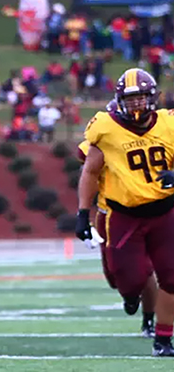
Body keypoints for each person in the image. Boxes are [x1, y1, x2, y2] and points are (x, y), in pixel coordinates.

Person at [76, 68, 174, 356]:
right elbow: (90, 170)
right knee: (129, 280)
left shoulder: (168, 123)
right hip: (123, 214)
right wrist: (83, 213)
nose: (137, 106)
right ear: (119, 101)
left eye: (141, 99)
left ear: (153, 98)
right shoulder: (105, 127)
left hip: (165, 212)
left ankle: (163, 339)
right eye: (130, 100)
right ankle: (132, 299)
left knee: (171, 278)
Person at [77, 101, 157, 338]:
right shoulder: (101, 142)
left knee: (146, 270)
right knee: (115, 274)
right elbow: (85, 162)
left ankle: (149, 320)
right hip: (110, 214)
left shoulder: (154, 136)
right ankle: (130, 294)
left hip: (148, 210)